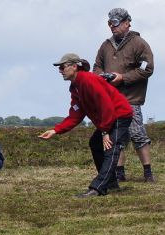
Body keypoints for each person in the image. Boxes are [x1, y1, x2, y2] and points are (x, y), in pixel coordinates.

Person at [39, 53, 134, 198]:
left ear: (74, 66)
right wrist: (55, 130)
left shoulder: (88, 80)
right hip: (109, 118)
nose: (60, 71)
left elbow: (106, 105)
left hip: (119, 115)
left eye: (62, 67)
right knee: (95, 144)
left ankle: (97, 188)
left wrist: (105, 131)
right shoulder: (75, 87)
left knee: (111, 148)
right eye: (59, 68)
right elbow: (75, 115)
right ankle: (111, 184)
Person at [93, 8, 155, 183]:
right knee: (115, 137)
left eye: (116, 22)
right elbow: (96, 66)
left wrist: (123, 78)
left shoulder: (139, 43)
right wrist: (101, 77)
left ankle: (148, 172)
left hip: (131, 99)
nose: (112, 26)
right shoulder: (105, 45)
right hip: (110, 99)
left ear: (127, 23)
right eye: (110, 23)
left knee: (137, 134)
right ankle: (119, 173)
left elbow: (147, 68)